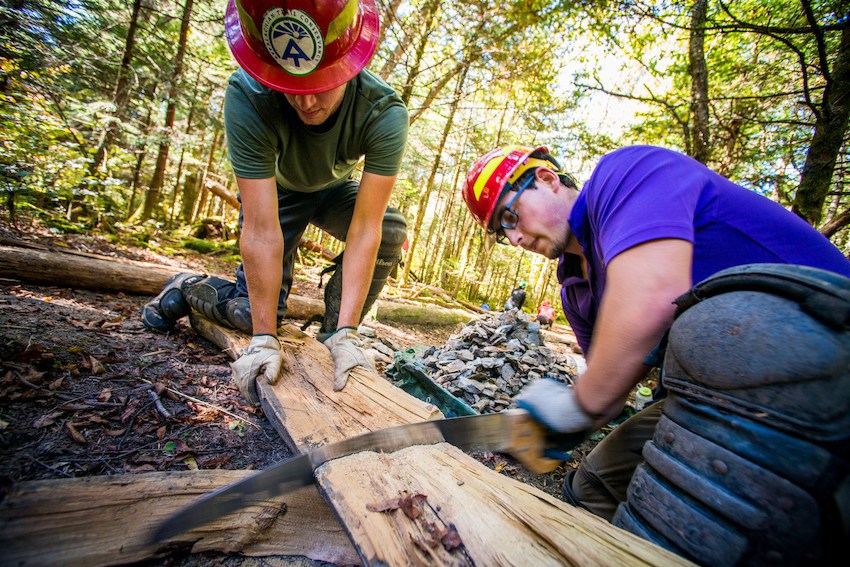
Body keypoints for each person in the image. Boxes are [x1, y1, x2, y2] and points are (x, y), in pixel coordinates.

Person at [462, 144, 850, 564]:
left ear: (547, 180)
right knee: (589, 489)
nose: (516, 237)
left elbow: (649, 300)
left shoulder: (626, 176)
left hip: (821, 350)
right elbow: (612, 383)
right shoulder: (576, 289)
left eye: (509, 216)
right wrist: (558, 427)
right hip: (711, 392)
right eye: (503, 234)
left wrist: (575, 406)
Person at [141, 0, 409, 402]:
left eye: (320, 86)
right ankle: (191, 285)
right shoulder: (248, 96)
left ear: (349, 67)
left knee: (391, 230)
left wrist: (349, 332)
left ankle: (335, 336)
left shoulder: (383, 112)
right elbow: (262, 228)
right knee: (253, 314)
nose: (306, 103)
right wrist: (264, 338)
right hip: (277, 193)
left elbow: (365, 228)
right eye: (292, 88)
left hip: (334, 190)